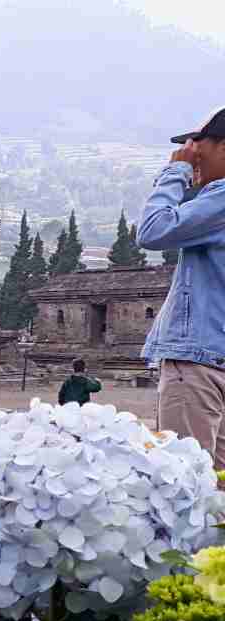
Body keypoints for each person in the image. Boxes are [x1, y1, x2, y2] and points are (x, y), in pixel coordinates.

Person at [137, 106, 225, 472]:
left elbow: (153, 231)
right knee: (217, 488)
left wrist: (175, 173)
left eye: (196, 148)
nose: (191, 157)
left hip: (199, 363)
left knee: (183, 480)